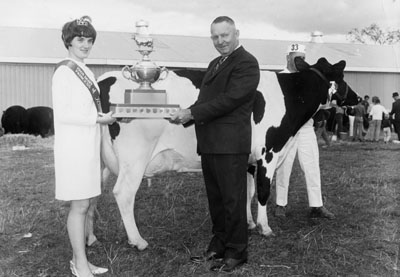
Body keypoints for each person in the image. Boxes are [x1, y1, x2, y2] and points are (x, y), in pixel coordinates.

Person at [170, 16, 260, 273]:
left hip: (230, 144)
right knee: (217, 199)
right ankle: (219, 243)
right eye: (215, 36)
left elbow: (230, 100)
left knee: (232, 200)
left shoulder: (247, 62)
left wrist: (192, 114)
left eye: (225, 35)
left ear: (236, 33)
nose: (220, 41)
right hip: (210, 143)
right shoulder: (215, 63)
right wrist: (186, 112)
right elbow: (205, 99)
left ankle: (237, 251)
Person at [52, 16, 115, 277]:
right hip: (73, 148)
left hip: (88, 146)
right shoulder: (64, 71)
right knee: (79, 206)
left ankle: (83, 261)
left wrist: (99, 121)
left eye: (89, 40)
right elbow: (63, 114)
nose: (86, 44)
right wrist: (97, 119)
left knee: (86, 204)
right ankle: (79, 264)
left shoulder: (86, 70)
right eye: (80, 39)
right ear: (68, 41)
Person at [274, 43, 335, 220]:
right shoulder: (279, 77)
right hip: (286, 129)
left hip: (306, 126)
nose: (300, 61)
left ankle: (317, 205)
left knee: (312, 165)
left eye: (302, 58)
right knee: (284, 167)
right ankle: (280, 204)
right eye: (296, 57)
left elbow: (322, 103)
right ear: (288, 57)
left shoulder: (308, 77)